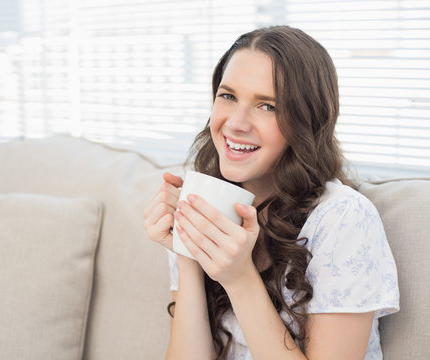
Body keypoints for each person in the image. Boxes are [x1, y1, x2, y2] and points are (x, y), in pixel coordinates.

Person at [143, 25, 399, 360]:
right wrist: (188, 251)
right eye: (228, 96)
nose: (235, 123)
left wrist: (239, 278)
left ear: (306, 121)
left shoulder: (343, 218)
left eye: (268, 106)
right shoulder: (207, 200)